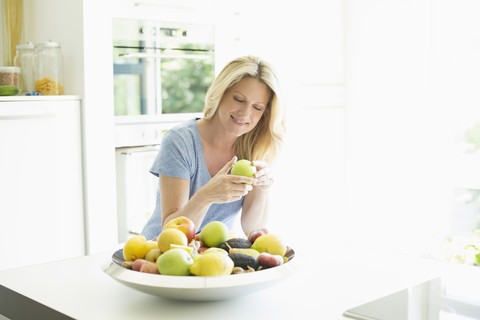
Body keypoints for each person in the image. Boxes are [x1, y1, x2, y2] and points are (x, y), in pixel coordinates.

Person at [141, 55, 286, 240]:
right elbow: (172, 231)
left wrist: (263, 190)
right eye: (239, 99)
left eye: (257, 107)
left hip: (214, 259)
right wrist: (206, 196)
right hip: (161, 255)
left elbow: (253, 228)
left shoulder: (253, 146)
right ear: (221, 92)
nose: (245, 113)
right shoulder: (180, 141)